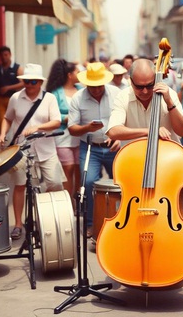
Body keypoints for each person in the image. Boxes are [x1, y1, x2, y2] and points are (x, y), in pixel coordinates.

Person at [106, 57, 183, 270]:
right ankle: (133, 255)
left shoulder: (168, 93)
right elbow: (113, 130)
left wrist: (170, 103)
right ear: (130, 81)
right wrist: (149, 131)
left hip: (168, 165)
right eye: (139, 86)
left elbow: (182, 131)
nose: (145, 91)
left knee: (177, 209)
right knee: (135, 212)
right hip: (135, 164)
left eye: (149, 85)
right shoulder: (123, 97)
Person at [0, 63, 64, 240]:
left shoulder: (49, 98)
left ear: (40, 82)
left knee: (55, 182)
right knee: (20, 186)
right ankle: (18, 224)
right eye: (26, 81)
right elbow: (7, 118)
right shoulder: (16, 97)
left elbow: (56, 122)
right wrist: (3, 133)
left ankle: (52, 218)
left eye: (33, 81)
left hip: (46, 148)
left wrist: (37, 127)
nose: (29, 85)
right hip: (21, 149)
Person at [67, 62, 121, 238]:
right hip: (90, 147)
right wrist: (87, 128)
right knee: (88, 182)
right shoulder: (77, 98)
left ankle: (121, 221)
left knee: (122, 183)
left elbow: (126, 119)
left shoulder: (117, 94)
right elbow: (72, 128)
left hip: (114, 146)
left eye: (99, 86)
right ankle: (91, 223)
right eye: (92, 86)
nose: (96, 90)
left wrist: (118, 137)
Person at [45, 59, 81, 200]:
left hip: (79, 135)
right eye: (78, 72)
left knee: (79, 170)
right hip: (62, 136)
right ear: (69, 75)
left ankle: (78, 201)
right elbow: (51, 113)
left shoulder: (81, 90)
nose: (80, 74)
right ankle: (68, 203)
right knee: (68, 169)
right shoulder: (56, 92)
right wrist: (67, 118)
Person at [0, 46, 24, 131]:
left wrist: (8, 88)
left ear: (10, 55)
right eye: (2, 55)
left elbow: (23, 83)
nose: (4, 57)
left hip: (13, 98)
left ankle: (12, 140)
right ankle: (2, 140)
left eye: (6, 55)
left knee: (14, 121)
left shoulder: (17, 68)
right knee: (1, 121)